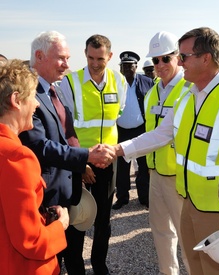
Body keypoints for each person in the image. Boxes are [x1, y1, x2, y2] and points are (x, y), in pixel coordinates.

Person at [110, 27, 219, 275]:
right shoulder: (189, 97)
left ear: (206, 58)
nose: (180, 64)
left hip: (217, 204)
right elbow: (159, 134)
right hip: (189, 197)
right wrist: (117, 149)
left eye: (183, 57)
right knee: (194, 264)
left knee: (216, 268)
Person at [19, 31, 115, 275]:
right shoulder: (28, 95)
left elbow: (68, 133)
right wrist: (85, 156)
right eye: (61, 58)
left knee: (72, 252)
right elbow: (39, 146)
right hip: (44, 193)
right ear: (39, 56)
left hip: (67, 189)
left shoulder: (58, 89)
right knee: (49, 260)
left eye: (68, 58)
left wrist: (79, 164)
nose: (67, 64)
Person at [60, 34, 127, 275]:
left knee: (103, 221)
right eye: (90, 57)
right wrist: (81, 163)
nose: (94, 63)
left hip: (108, 163)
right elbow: (65, 127)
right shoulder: (70, 82)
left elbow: (116, 115)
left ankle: (100, 265)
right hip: (81, 162)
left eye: (100, 58)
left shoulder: (119, 81)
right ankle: (76, 269)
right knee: (77, 219)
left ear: (109, 56)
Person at [0, 59, 69, 275]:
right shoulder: (17, 157)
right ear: (16, 100)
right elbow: (31, 241)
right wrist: (60, 225)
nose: (37, 104)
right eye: (32, 97)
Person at [142, 31, 192, 275]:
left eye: (165, 58)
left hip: (179, 177)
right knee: (161, 230)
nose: (159, 65)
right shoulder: (152, 91)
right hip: (156, 173)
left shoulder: (189, 88)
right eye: (155, 60)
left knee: (187, 238)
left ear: (178, 58)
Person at [112, 51, 154, 210]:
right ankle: (122, 198)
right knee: (122, 167)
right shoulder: (115, 82)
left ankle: (144, 197)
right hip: (121, 131)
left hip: (141, 130)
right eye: (124, 66)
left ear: (136, 67)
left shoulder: (147, 82)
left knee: (143, 165)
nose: (127, 69)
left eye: (130, 66)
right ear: (120, 68)